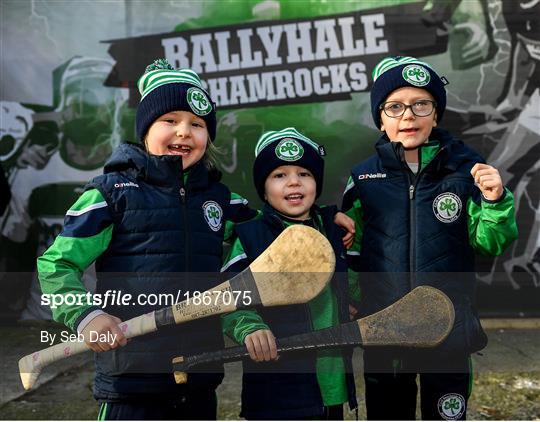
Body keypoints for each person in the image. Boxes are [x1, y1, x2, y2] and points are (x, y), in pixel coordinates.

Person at [37, 59, 257, 420]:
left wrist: (329, 219)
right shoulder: (112, 193)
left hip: (199, 376)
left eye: (197, 124)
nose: (184, 132)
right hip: (131, 381)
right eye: (170, 121)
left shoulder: (222, 200)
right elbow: (56, 263)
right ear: (145, 129)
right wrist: (85, 315)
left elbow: (277, 234)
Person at [342, 56, 518, 420]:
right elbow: (350, 250)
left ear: (436, 114)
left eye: (421, 104)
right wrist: (357, 298)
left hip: (449, 333)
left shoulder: (466, 170)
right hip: (385, 334)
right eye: (395, 106)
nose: (409, 115)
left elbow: (491, 243)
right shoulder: (362, 180)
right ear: (380, 119)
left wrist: (495, 202)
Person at [221, 128, 359, 420]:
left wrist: (355, 301)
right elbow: (229, 295)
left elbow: (350, 285)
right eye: (279, 175)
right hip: (277, 384)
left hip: (331, 383)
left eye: (304, 174)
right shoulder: (251, 236)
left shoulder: (332, 230)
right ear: (264, 187)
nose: (294, 181)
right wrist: (248, 327)